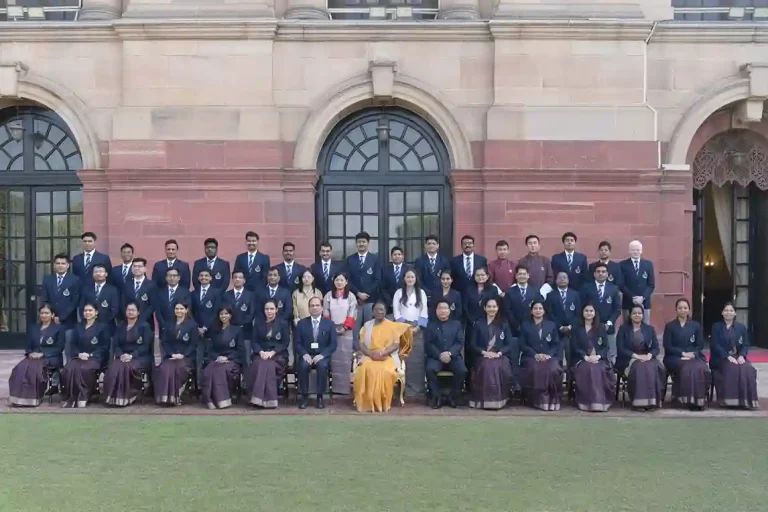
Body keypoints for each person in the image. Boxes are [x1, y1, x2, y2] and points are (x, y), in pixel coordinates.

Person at [353, 301, 413, 413]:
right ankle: (366, 403)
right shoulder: (367, 326)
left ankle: (382, 404)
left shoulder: (391, 326)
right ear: (373, 312)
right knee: (364, 369)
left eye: (382, 309)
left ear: (385, 311)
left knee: (385, 372)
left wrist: (383, 353)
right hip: (369, 356)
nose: (380, 312)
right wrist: (371, 354)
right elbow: (361, 344)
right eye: (377, 309)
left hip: (387, 356)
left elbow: (395, 344)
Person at [8, 303, 65, 407]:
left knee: (34, 370)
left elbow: (59, 348)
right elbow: (28, 345)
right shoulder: (34, 328)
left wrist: (42, 354)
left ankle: (33, 398)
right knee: (19, 369)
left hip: (51, 358)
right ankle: (18, 398)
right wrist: (30, 353)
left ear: (52, 314)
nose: (44, 315)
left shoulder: (58, 328)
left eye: (47, 313)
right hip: (33, 357)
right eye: (42, 313)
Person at [468, 297, 517, 410]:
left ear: (498, 308)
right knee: (486, 366)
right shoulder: (478, 323)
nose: (491, 309)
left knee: (498, 366)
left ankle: (500, 399)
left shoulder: (503, 323)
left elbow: (509, 344)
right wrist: (484, 352)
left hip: (500, 356)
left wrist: (499, 353)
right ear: (485, 308)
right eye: (489, 306)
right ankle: (484, 400)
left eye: (494, 306)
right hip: (482, 355)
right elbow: (473, 344)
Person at [103, 302, 154, 407]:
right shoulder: (121, 325)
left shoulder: (144, 326)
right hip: (122, 356)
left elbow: (146, 346)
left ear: (138, 312)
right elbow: (116, 345)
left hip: (140, 357)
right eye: (128, 310)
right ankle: (112, 397)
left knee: (127, 368)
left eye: (133, 310)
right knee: (114, 368)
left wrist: (132, 356)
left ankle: (127, 397)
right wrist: (121, 355)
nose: (130, 312)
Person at [60, 303, 110, 408]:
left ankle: (84, 395)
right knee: (69, 368)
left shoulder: (102, 327)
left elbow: (104, 347)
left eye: (90, 310)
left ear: (96, 312)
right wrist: (79, 354)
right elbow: (72, 344)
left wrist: (90, 355)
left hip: (95, 358)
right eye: (85, 310)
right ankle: (71, 396)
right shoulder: (78, 327)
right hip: (78, 356)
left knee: (84, 369)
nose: (87, 313)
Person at [709, 302, 758, 409]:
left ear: (735, 313)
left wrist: (741, 356)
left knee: (747, 369)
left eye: (731, 310)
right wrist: (728, 357)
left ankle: (746, 401)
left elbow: (745, 344)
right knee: (732, 368)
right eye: (726, 310)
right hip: (721, 358)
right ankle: (730, 401)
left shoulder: (741, 327)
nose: (728, 313)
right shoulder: (716, 327)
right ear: (722, 312)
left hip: (738, 356)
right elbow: (715, 345)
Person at [663, 298, 710, 410]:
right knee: (687, 368)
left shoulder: (696, 325)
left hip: (693, 356)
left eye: (685, 308)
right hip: (674, 357)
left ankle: (698, 401)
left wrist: (693, 354)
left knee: (700, 368)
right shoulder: (670, 326)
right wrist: (682, 354)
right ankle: (685, 399)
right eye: (680, 308)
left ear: (689, 310)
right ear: (676, 309)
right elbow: (667, 345)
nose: (682, 310)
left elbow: (700, 346)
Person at [616, 305, 664, 410]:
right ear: (630, 315)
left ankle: (652, 402)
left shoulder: (649, 329)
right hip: (629, 357)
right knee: (639, 368)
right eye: (634, 313)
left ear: (643, 315)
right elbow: (620, 348)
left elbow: (656, 348)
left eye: (639, 313)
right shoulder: (623, 329)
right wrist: (636, 356)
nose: (637, 315)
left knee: (653, 367)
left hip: (647, 356)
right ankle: (639, 402)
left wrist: (649, 355)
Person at [519, 299, 563, 411]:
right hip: (531, 357)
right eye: (535, 308)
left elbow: (556, 344)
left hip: (550, 357)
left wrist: (548, 355)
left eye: (540, 308)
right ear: (531, 311)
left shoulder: (552, 325)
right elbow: (523, 345)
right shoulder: (525, 325)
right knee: (537, 368)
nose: (538, 311)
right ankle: (539, 400)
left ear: (544, 311)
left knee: (553, 369)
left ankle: (553, 399)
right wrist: (535, 354)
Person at [294, 296, 337, 409]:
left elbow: (333, 344)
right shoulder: (301, 323)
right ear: (309, 308)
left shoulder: (330, 324)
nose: (315, 308)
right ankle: (304, 396)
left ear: (322, 308)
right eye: (312, 305)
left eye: (317, 305)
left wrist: (322, 355)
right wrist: (304, 354)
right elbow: (297, 343)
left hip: (322, 355)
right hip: (306, 354)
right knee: (303, 366)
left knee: (322, 366)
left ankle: (320, 397)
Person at [570, 303, 614, 412]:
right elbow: (574, 346)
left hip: (599, 359)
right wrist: (585, 357)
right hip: (582, 359)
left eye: (591, 311)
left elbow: (605, 347)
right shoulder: (577, 329)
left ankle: (601, 402)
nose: (589, 313)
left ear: (595, 313)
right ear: (582, 313)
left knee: (599, 369)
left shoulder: (601, 328)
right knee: (588, 369)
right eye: (586, 311)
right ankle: (585, 402)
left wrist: (598, 356)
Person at [246, 299, 290, 408]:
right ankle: (258, 398)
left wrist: (272, 353)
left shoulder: (283, 324)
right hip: (260, 355)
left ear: (276, 310)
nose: (269, 311)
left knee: (267, 365)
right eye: (267, 309)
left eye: (271, 309)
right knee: (259, 364)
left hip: (278, 356)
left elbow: (285, 343)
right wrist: (261, 352)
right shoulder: (258, 323)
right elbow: (254, 341)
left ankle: (265, 400)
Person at [154, 301, 199, 406]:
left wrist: (183, 355)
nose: (179, 311)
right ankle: (164, 398)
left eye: (181, 309)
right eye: (177, 309)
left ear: (186, 310)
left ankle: (177, 396)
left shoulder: (192, 325)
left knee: (178, 368)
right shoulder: (168, 324)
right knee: (164, 368)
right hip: (171, 356)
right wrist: (171, 354)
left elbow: (193, 344)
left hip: (186, 357)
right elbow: (164, 342)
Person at [392, 269, 429, 397]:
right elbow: (396, 311)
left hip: (417, 329)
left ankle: (417, 389)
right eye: (408, 277)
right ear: (404, 279)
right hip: (402, 329)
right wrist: (405, 328)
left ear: (415, 278)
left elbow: (424, 311)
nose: (410, 279)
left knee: (417, 359)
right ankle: (402, 388)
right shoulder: (398, 293)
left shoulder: (421, 292)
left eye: (412, 277)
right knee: (402, 357)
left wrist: (417, 327)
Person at [425, 300, 467, 408]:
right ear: (436, 310)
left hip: (453, 356)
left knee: (462, 371)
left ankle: (452, 397)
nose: (443, 311)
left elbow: (460, 342)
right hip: (436, 357)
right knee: (430, 369)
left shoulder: (456, 324)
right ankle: (436, 397)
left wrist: (450, 353)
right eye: (440, 308)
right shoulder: (430, 325)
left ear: (449, 310)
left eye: (445, 308)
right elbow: (428, 344)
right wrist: (439, 355)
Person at [200, 306, 243, 410]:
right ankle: (209, 400)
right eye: (221, 314)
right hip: (216, 359)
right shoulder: (215, 330)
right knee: (208, 370)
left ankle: (222, 401)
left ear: (231, 315)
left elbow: (240, 350)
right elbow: (210, 349)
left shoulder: (237, 330)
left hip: (231, 360)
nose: (224, 316)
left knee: (220, 371)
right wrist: (217, 357)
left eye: (226, 314)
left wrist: (227, 358)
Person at [322, 272, 357, 395]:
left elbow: (352, 313)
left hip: (346, 331)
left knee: (345, 359)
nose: (339, 282)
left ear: (346, 282)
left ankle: (343, 388)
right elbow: (325, 312)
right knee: (332, 358)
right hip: (331, 330)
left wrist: (345, 327)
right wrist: (331, 328)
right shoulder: (328, 295)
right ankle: (330, 387)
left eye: (342, 280)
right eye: (337, 280)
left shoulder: (351, 296)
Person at [580, 263, 621, 364]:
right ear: (594, 274)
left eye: (603, 272)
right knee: (593, 353)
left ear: (607, 274)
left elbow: (617, 309)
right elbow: (582, 306)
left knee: (611, 354)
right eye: (598, 272)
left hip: (608, 326)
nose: (601, 274)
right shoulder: (586, 288)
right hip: (591, 326)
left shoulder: (614, 289)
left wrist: (609, 323)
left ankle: (611, 373)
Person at [345, 231, 381, 347]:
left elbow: (377, 279)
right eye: (359, 242)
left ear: (368, 243)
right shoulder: (350, 260)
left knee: (369, 328)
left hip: (370, 300)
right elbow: (347, 280)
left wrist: (366, 294)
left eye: (364, 242)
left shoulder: (374, 259)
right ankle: (356, 354)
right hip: (354, 300)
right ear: (356, 244)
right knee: (355, 329)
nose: (361, 244)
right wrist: (358, 293)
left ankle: (369, 352)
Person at [545, 271, 580, 364]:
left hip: (572, 331)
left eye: (565, 277)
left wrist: (570, 326)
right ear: (556, 281)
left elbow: (578, 313)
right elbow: (549, 313)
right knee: (558, 356)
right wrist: (560, 326)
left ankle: (570, 376)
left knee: (571, 356)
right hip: (557, 331)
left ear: (568, 280)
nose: (562, 279)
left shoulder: (575, 295)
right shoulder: (550, 295)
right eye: (560, 277)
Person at [41, 253, 80, 329]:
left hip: (68, 320)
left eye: (63, 263)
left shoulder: (75, 280)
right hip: (50, 319)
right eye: (58, 263)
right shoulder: (47, 279)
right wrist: (51, 314)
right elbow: (45, 298)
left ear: (68, 265)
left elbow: (74, 302)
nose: (60, 265)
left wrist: (61, 317)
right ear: (54, 265)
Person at [619, 240, 655, 323]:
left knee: (645, 329)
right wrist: (633, 297)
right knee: (627, 328)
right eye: (633, 250)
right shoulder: (622, 265)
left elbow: (651, 285)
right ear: (629, 251)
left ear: (641, 251)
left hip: (644, 303)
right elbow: (621, 285)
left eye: (638, 250)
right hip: (628, 302)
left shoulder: (648, 264)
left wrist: (642, 297)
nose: (635, 252)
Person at [222, 270, 257, 353]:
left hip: (245, 330)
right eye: (235, 277)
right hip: (230, 329)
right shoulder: (226, 295)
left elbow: (251, 313)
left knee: (246, 354)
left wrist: (240, 324)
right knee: (231, 353)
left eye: (240, 278)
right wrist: (233, 325)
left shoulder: (251, 295)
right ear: (232, 280)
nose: (237, 279)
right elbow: (224, 312)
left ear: (244, 280)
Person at [79, 263, 119, 333]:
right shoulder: (86, 289)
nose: (98, 274)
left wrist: (101, 323)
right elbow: (81, 306)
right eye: (96, 272)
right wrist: (88, 321)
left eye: (101, 271)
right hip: (88, 325)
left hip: (107, 326)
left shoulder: (113, 290)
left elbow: (114, 309)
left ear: (106, 274)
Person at [155, 267, 191, 338]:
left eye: (174, 276)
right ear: (166, 278)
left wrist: (179, 325)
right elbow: (158, 311)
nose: (172, 278)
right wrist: (164, 326)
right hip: (164, 329)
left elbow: (187, 310)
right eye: (169, 276)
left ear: (179, 277)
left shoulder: (185, 292)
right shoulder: (160, 292)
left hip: (180, 329)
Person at [413, 234, 449, 300]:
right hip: (424, 295)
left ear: (437, 245)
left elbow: (447, 278)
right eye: (429, 244)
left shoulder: (444, 261)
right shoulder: (419, 261)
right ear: (425, 246)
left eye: (433, 243)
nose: (431, 245)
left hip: (441, 294)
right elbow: (418, 279)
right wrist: (428, 292)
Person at [122, 258, 156, 325]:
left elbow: (153, 305)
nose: (137, 268)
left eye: (139, 266)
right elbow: (123, 303)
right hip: (129, 321)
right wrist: (129, 316)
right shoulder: (127, 284)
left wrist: (141, 318)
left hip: (146, 322)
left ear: (145, 268)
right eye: (134, 266)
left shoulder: (152, 285)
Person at [381, 246, 408, 314]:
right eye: (395, 254)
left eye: (399, 254)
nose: (397, 256)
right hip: (389, 305)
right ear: (391, 257)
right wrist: (391, 302)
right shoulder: (385, 270)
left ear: (403, 256)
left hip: (405, 303)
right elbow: (383, 288)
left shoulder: (408, 269)